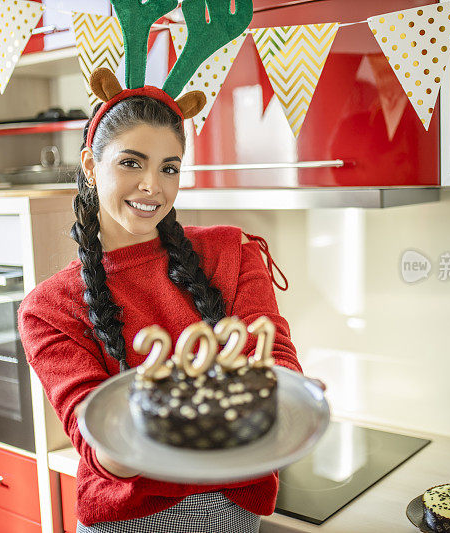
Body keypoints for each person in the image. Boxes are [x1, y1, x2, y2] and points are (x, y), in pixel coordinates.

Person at [16, 91, 304, 532]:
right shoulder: (48, 309)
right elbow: (104, 452)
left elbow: (277, 362)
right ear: (91, 167)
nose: (153, 185)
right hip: (127, 519)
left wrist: (293, 397)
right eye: (131, 163)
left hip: (230, 511)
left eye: (169, 168)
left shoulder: (233, 252)